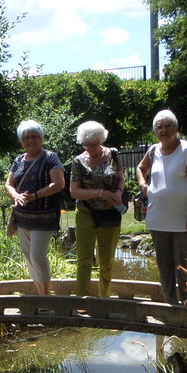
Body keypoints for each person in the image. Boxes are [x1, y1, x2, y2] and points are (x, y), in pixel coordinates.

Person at [135, 110, 187, 304]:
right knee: (164, 266)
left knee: (185, 266)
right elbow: (140, 168)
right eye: (159, 127)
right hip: (158, 217)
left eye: (167, 126)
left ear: (176, 128)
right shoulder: (153, 150)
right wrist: (143, 185)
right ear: (155, 131)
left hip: (182, 218)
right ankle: (170, 306)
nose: (163, 130)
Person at [5, 120, 66, 295]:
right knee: (28, 257)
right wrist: (16, 195)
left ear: (41, 138)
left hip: (44, 217)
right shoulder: (18, 160)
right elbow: (8, 184)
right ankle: (41, 295)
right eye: (26, 138)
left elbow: (59, 184)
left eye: (34, 136)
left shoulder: (50, 158)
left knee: (37, 256)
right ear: (21, 141)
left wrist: (35, 195)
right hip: (22, 217)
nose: (30, 140)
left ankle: (46, 298)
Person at [69, 121, 125, 298]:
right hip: (86, 212)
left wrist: (118, 192)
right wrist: (100, 193)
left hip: (110, 213)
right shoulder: (78, 161)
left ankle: (104, 299)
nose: (91, 148)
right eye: (87, 145)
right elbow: (74, 191)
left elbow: (121, 179)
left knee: (106, 261)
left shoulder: (113, 154)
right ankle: (82, 300)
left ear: (101, 140)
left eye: (94, 144)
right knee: (84, 260)